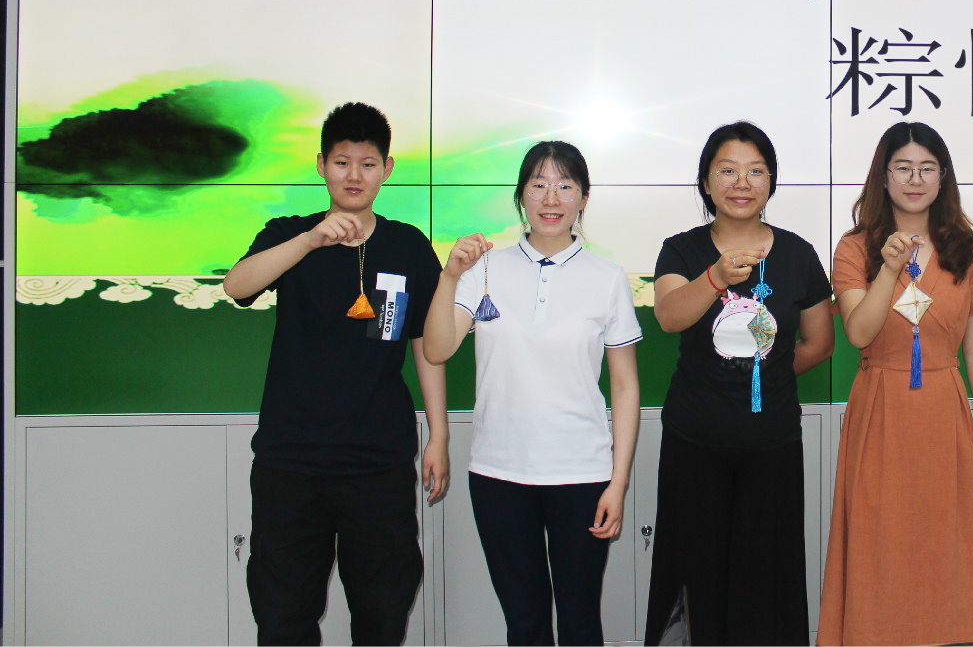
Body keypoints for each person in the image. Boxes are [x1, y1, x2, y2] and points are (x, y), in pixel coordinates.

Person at [223, 102, 448, 646]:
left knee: (383, 614)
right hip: (290, 463)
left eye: (367, 164)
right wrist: (311, 240)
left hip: (379, 463)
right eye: (342, 162)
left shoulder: (408, 245)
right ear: (321, 164)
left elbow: (426, 345)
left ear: (386, 169)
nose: (354, 175)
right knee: (283, 617)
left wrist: (438, 436)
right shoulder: (289, 233)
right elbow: (237, 286)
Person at [420, 140, 642, 646]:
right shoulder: (484, 269)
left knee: (581, 623)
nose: (551, 198)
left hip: (582, 474)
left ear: (584, 197)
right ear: (521, 195)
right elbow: (436, 349)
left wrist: (618, 481)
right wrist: (451, 275)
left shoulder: (607, 278)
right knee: (524, 624)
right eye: (539, 185)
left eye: (565, 185)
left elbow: (625, 386)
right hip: (499, 473)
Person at [643, 121, 835, 646]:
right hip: (693, 444)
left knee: (765, 579)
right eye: (727, 171)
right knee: (693, 574)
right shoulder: (681, 250)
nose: (742, 183)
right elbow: (669, 316)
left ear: (771, 182)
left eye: (756, 171)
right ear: (707, 182)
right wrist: (716, 278)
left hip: (772, 446)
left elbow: (819, 342)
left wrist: (763, 374)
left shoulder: (798, 254)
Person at [818, 122, 973, 646]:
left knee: (945, 542)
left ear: (943, 178)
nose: (915, 180)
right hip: (882, 406)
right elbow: (859, 332)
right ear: (883, 176)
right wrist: (889, 268)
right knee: (880, 542)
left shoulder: (965, 249)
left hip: (944, 410)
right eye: (903, 168)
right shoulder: (856, 247)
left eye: (926, 168)